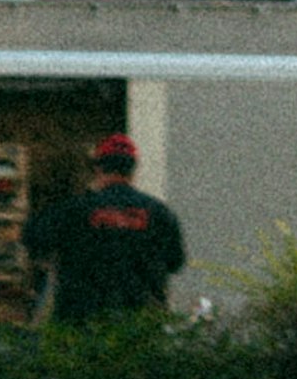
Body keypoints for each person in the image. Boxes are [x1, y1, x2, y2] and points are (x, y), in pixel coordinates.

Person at [27, 127, 185, 323]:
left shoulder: (73, 210)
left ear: (98, 168)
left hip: (81, 325)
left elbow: (32, 237)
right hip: (140, 328)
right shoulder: (160, 214)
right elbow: (176, 262)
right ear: (133, 169)